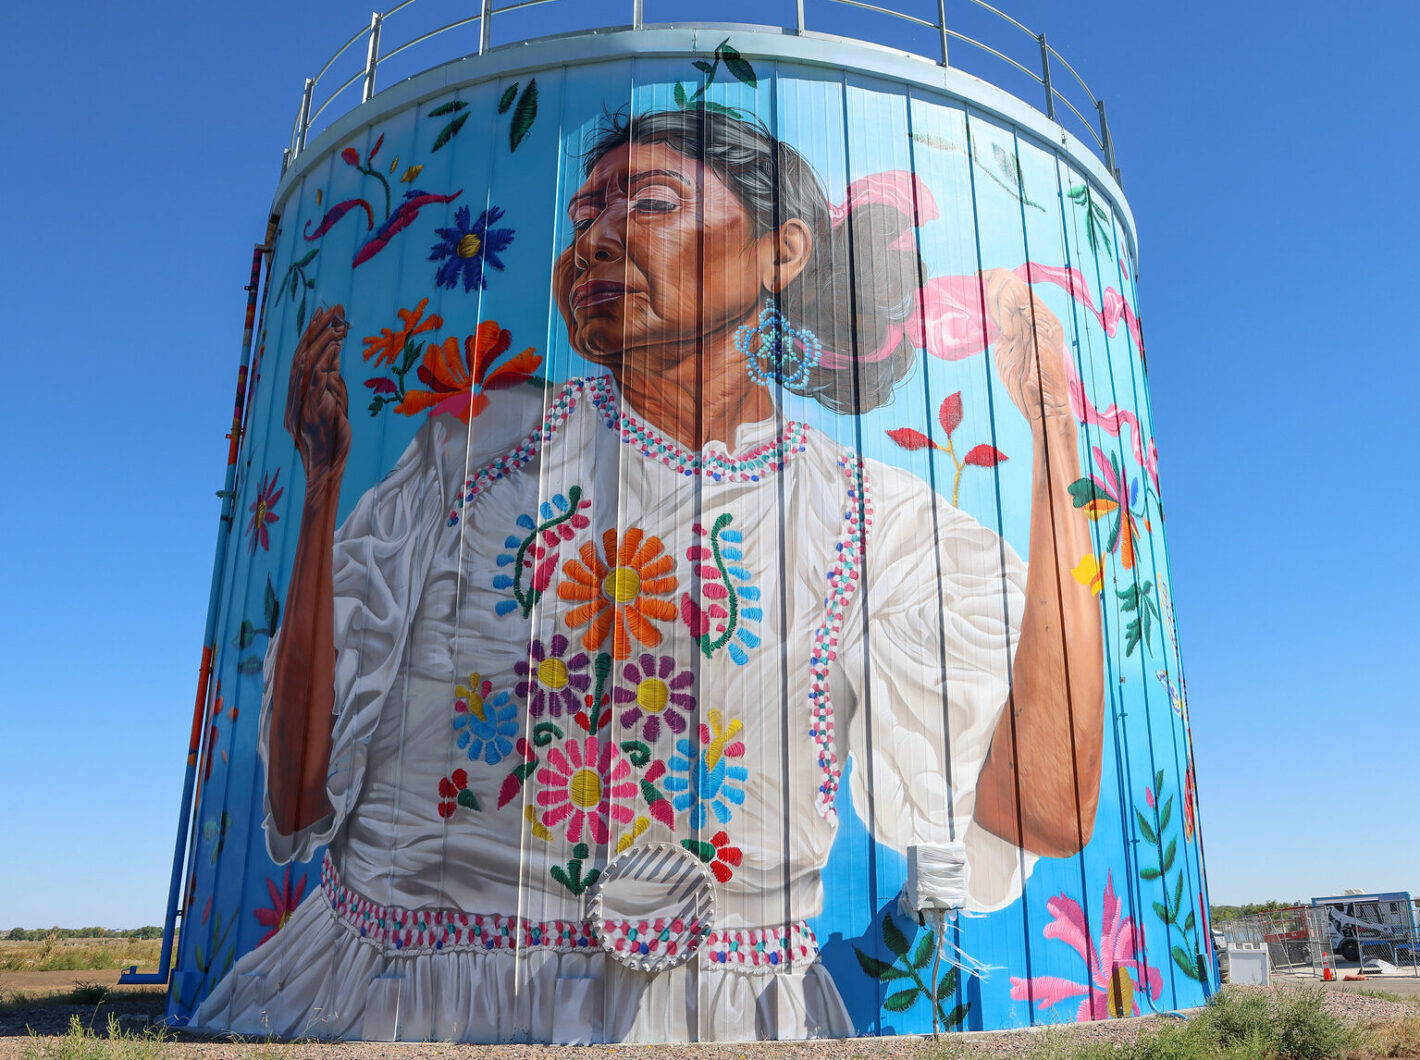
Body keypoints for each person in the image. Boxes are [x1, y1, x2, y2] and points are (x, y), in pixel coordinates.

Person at [196, 108, 1103, 1043]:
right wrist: (320, 492)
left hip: (724, 1021)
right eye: (586, 210)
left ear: (780, 254)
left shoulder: (862, 521)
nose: (596, 236)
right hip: (389, 1015)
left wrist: (1055, 440)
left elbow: (1049, 804)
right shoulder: (471, 456)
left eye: (651, 202)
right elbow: (299, 799)